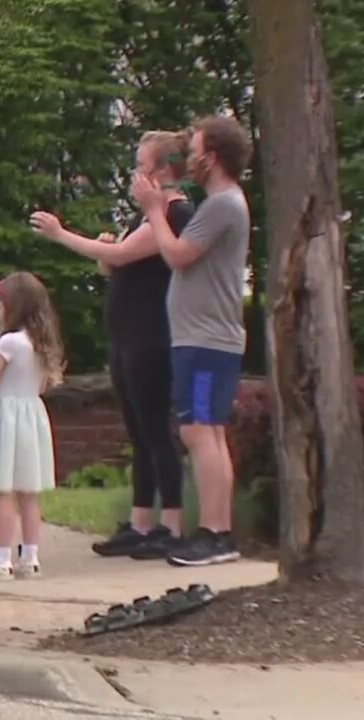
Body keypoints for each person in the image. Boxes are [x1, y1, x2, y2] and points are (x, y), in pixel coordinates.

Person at [29, 131, 196, 560]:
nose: (136, 176)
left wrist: (61, 234)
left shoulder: (174, 213)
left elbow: (126, 256)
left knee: (157, 430)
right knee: (138, 432)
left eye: (142, 166)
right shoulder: (146, 217)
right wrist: (105, 250)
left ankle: (172, 525)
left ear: (163, 171)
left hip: (151, 335)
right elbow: (115, 263)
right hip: (126, 335)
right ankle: (141, 522)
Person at [131, 115, 253, 567]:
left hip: (205, 341)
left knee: (199, 430)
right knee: (208, 432)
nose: (190, 158)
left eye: (196, 149)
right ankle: (218, 530)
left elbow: (179, 255)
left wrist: (153, 211)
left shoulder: (223, 204)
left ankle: (215, 533)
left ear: (213, 157)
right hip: (203, 339)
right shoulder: (222, 203)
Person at [0, 272, 65, 580]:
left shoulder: (9, 343)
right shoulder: (40, 344)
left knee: (4, 492)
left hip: (5, 417)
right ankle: (30, 558)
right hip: (31, 417)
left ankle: (1, 559)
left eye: (1, 304)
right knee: (28, 493)